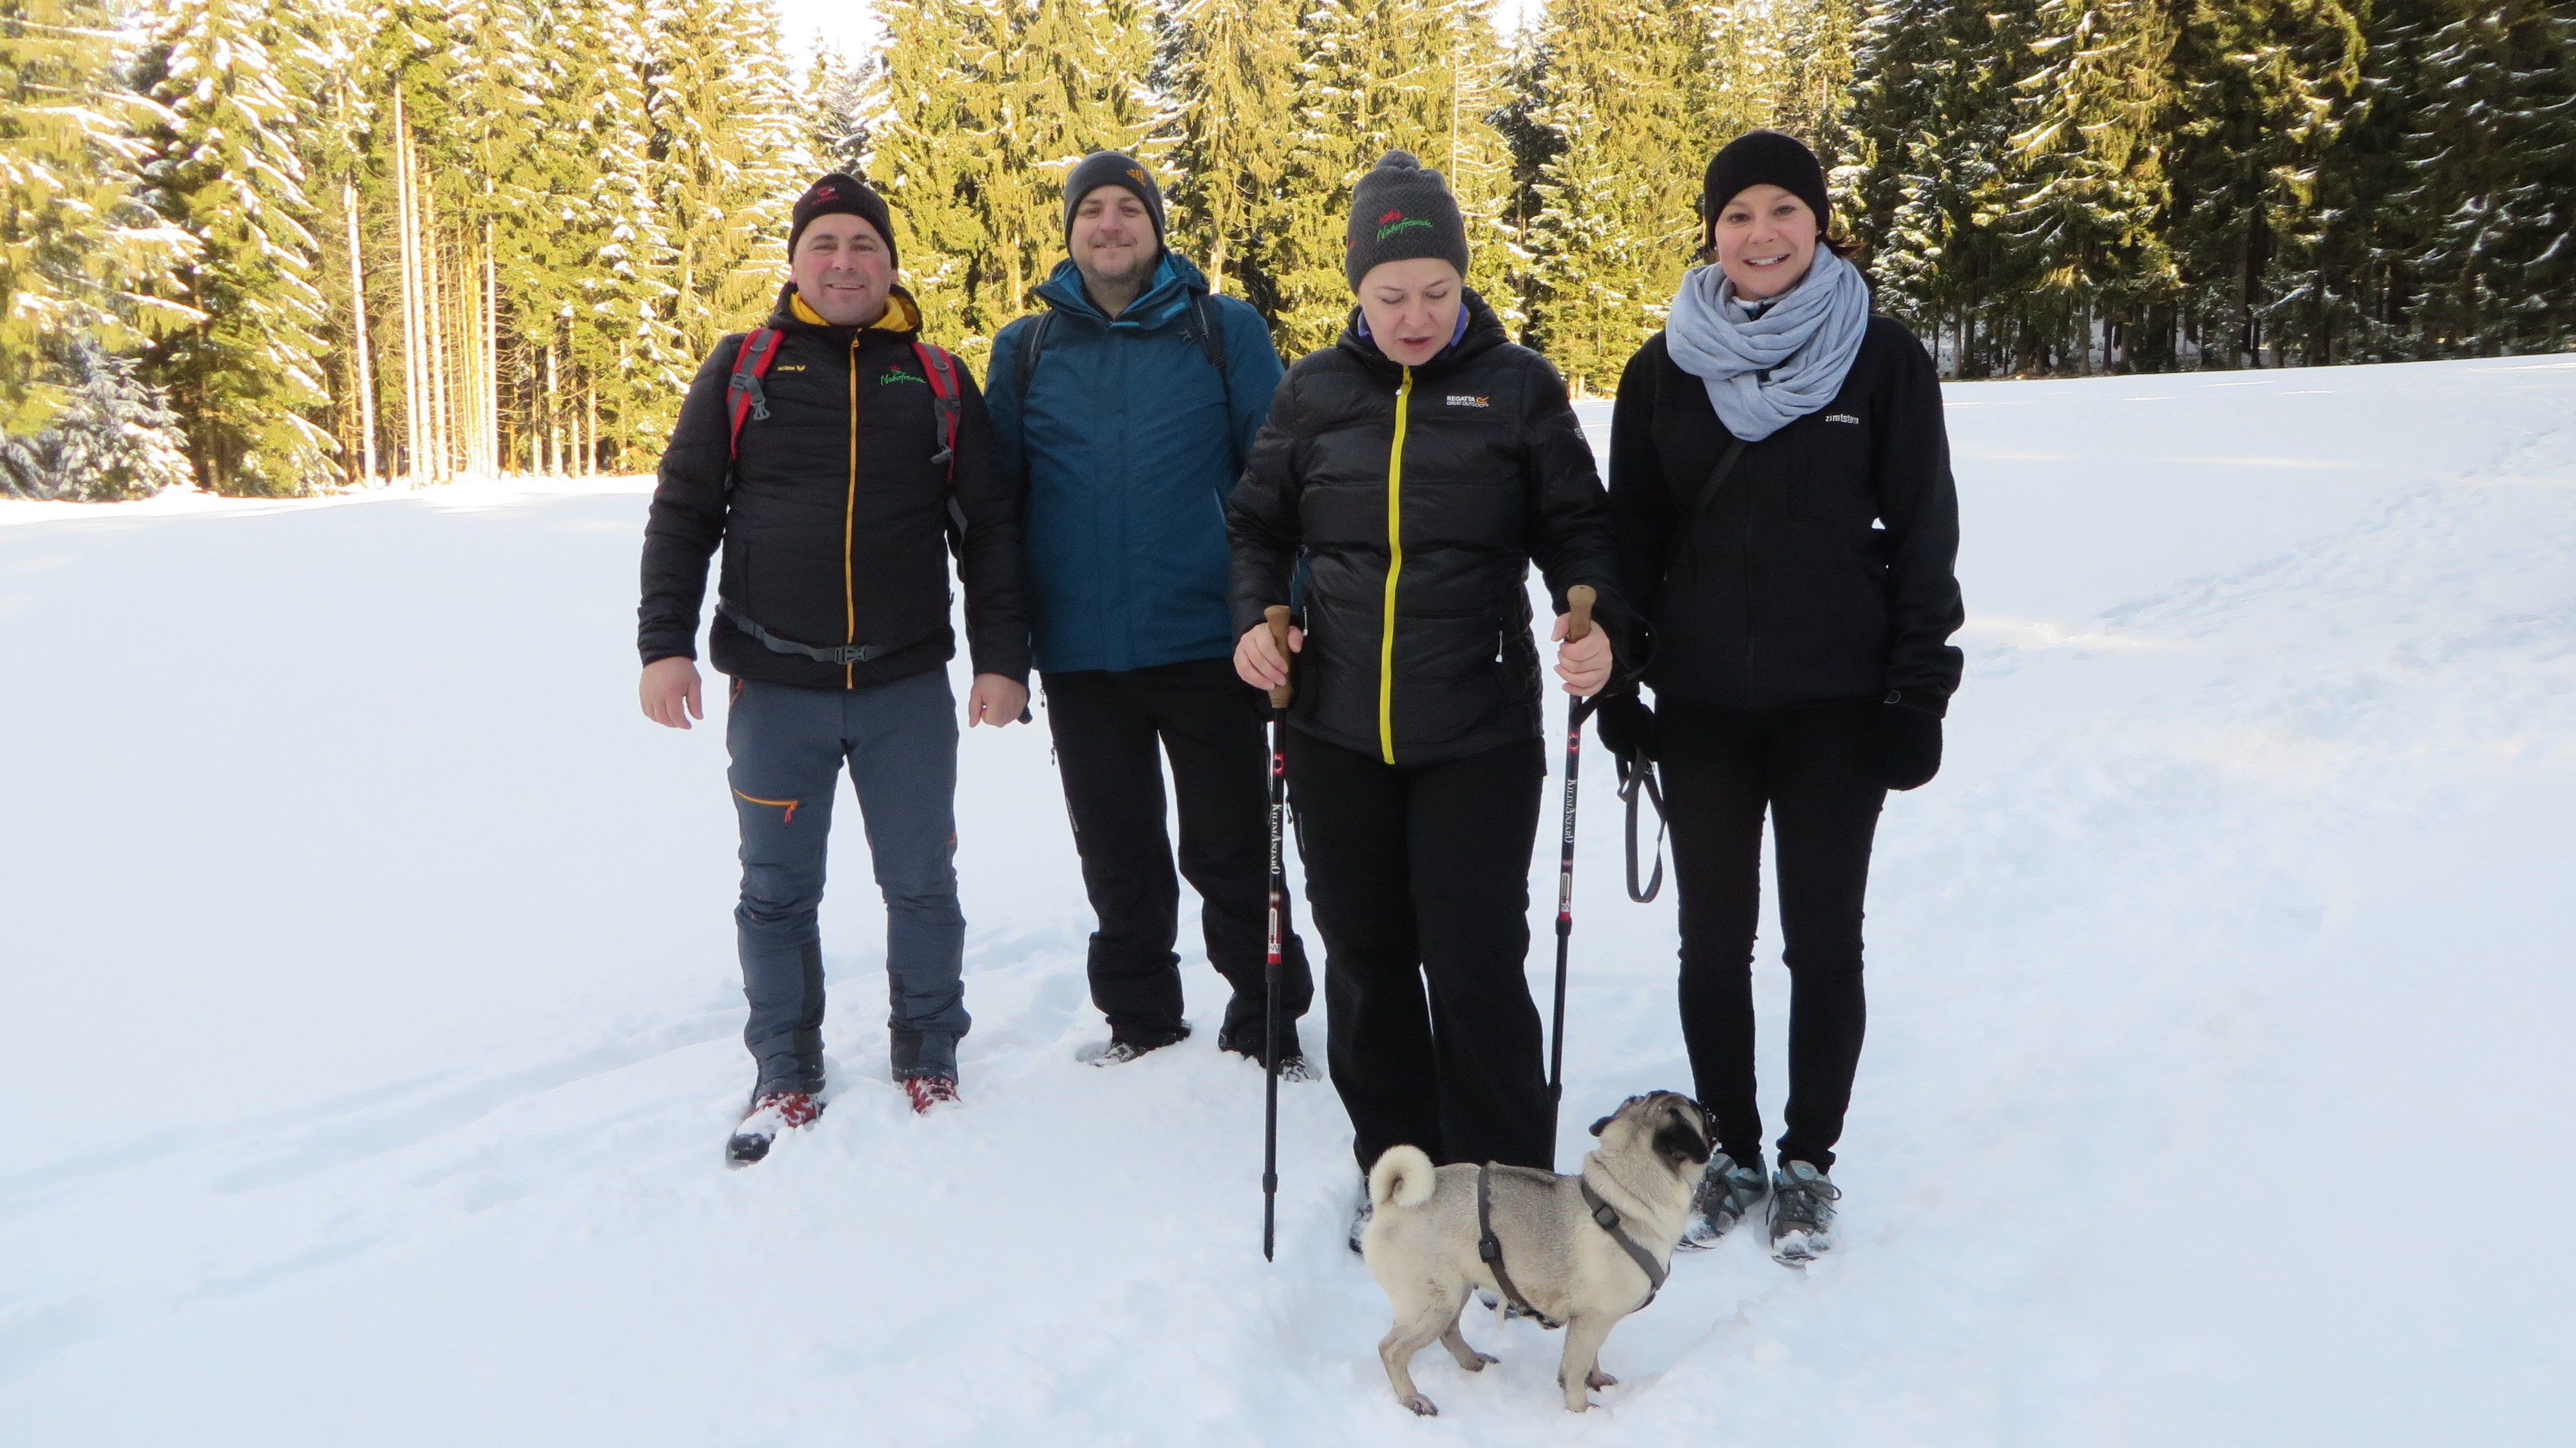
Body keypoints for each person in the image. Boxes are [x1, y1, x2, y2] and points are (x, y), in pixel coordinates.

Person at [1228, 151, 1638, 1249]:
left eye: (1437, 292)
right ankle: (1402, 1176)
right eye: (1391, 294)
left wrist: (1597, 623)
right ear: (1358, 291)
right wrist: (1256, 621)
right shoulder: (1314, 392)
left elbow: (1579, 531)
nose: (1415, 316)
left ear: (1464, 282)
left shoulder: (1518, 387)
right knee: (1365, 962)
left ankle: (1508, 1195)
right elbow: (1257, 526)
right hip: (1335, 728)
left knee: (1472, 962)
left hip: (1477, 729)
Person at [1598, 131, 1964, 1263]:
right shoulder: (1664, 368)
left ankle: (1808, 1161)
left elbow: (1924, 533)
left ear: (1819, 222)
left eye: (1783, 211)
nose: (1761, 234)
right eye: (1738, 215)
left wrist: (1919, 690)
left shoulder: (1882, 359)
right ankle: (1732, 1153)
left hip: (1838, 707)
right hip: (1702, 705)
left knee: (1823, 945)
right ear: (1712, 232)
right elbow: (1631, 542)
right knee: (1712, 948)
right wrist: (1621, 675)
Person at [638, 173, 1031, 1166]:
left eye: (864, 245)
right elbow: (684, 512)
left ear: (891, 265)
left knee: (922, 885)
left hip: (906, 691)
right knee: (776, 894)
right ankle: (785, 1067)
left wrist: (1002, 661)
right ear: (795, 262)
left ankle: (929, 1053)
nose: (845, 262)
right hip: (776, 692)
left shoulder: (937, 379)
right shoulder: (745, 369)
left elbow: (989, 532)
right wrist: (664, 646)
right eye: (826, 244)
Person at [986, 153, 1315, 1073]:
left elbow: (1279, 481)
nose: (1110, 224)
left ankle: (1268, 1021)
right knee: (1117, 853)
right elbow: (996, 507)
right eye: (1091, 209)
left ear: (1156, 227)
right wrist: (1007, 645)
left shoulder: (1223, 329)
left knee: (1234, 850)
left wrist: (1281, 615)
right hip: (1082, 653)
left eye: (1128, 208)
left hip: (1212, 641)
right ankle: (1139, 1018)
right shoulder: (1026, 349)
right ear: (1070, 232)